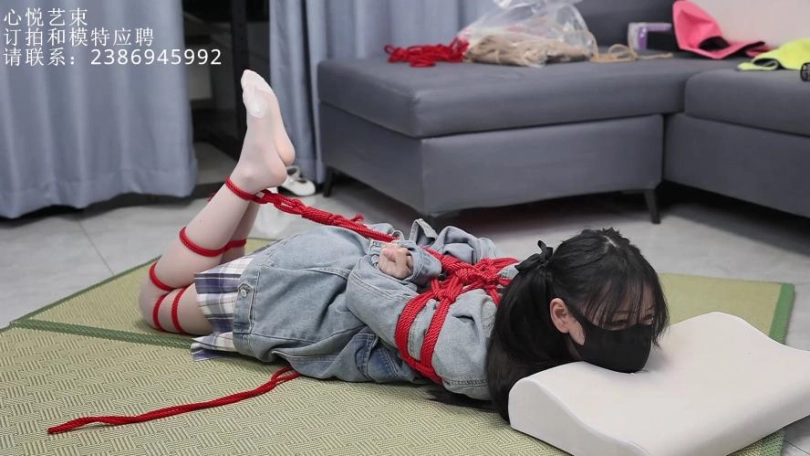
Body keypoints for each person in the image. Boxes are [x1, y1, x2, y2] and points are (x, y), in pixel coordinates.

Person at [138, 70, 669, 423]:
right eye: (623, 322)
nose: (640, 333)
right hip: (308, 302)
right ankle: (248, 175)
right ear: (561, 313)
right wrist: (409, 264)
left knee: (224, 266)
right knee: (155, 302)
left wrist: (414, 262)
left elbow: (470, 252)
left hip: (333, 269)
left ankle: (257, 171)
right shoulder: (476, 360)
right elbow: (370, 292)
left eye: (646, 319)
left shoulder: (529, 287)